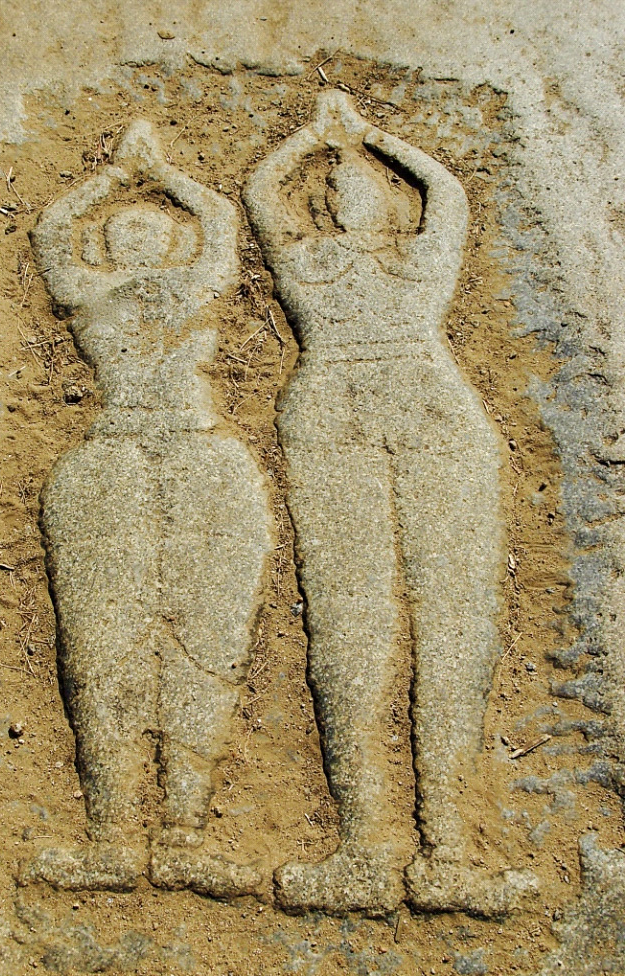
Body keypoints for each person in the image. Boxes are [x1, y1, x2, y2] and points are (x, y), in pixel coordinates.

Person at [244, 90, 536, 917]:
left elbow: (447, 193)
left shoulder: (420, 258)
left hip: (432, 406)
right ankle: (364, 844)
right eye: (333, 187)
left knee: (457, 617)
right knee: (348, 621)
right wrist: (315, 136)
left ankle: (448, 844)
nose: (345, 191)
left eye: (360, 182)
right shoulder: (307, 262)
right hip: (331, 409)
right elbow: (265, 194)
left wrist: (365, 135)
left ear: (386, 195)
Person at [20, 120, 271, 897]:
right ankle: (109, 836)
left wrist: (164, 175)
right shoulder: (90, 292)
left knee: (208, 638)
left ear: (169, 245)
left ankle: (186, 833)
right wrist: (115, 177)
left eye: (148, 229)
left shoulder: (197, 284)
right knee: (101, 645)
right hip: (110, 451)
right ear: (109, 250)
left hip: (202, 451)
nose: (133, 238)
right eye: (121, 232)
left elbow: (223, 227)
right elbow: (54, 233)